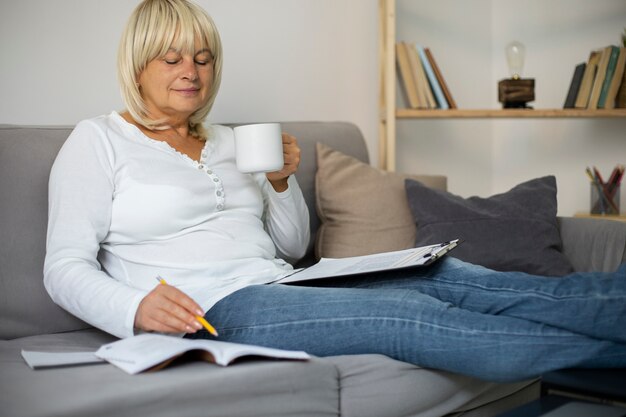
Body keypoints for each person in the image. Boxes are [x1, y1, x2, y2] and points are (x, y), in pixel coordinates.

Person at [44, 0, 626, 383]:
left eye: (202, 57)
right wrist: (133, 307)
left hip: (289, 279)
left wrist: (280, 184)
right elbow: (64, 266)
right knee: (413, 314)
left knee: (457, 277)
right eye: (172, 58)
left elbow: (292, 245)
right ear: (138, 64)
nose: (191, 71)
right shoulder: (98, 141)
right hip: (221, 308)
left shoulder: (230, 140)